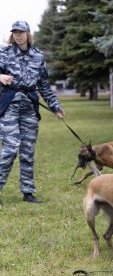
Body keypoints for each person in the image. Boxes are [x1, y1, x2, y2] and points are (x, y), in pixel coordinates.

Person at [0, 21, 64, 206]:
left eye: (22, 32)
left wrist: (56, 107)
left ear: (28, 34)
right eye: (16, 32)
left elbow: (44, 85)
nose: (19, 35)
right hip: (10, 104)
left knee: (27, 151)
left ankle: (28, 192)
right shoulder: (4, 53)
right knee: (10, 148)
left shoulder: (38, 56)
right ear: (12, 34)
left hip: (30, 106)